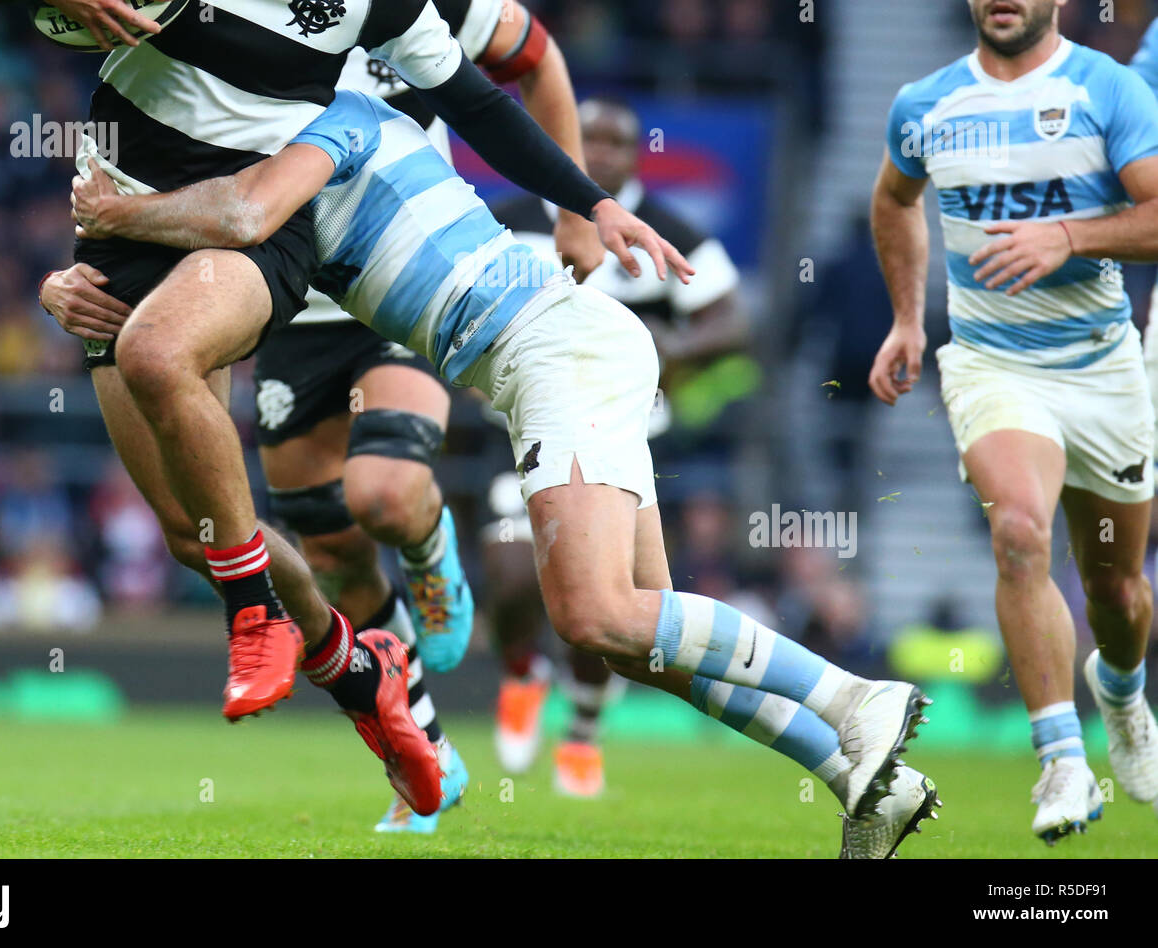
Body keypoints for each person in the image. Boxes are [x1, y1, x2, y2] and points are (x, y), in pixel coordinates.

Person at [0, 0, 652, 814]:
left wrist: (585, 199)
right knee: (199, 534)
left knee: (175, 364)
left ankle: (277, 608)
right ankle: (362, 678)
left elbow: (479, 100)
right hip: (125, 227)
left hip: (254, 232)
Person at [70, 85, 936, 858]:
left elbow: (234, 217)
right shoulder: (303, 176)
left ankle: (855, 700)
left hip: (557, 356)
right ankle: (859, 777)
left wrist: (116, 215)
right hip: (559, 358)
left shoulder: (335, 122)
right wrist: (68, 286)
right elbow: (220, 270)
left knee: (595, 615)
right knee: (643, 641)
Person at [870, 0, 1158, 842]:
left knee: (1118, 593)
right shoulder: (926, 105)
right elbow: (893, 199)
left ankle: (1119, 694)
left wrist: (1068, 234)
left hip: (1105, 366)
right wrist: (910, 320)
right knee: (1021, 535)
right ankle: (1062, 766)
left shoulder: (1109, 92)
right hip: (994, 364)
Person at [484, 94, 747, 797]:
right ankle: (520, 672)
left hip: (627, 439)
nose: (598, 152)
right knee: (511, 574)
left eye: (614, 142)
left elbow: (733, 319)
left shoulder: (669, 228)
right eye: (586, 138)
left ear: (635, 155)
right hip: (527, 433)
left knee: (609, 598)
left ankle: (583, 728)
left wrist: (674, 342)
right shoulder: (508, 222)